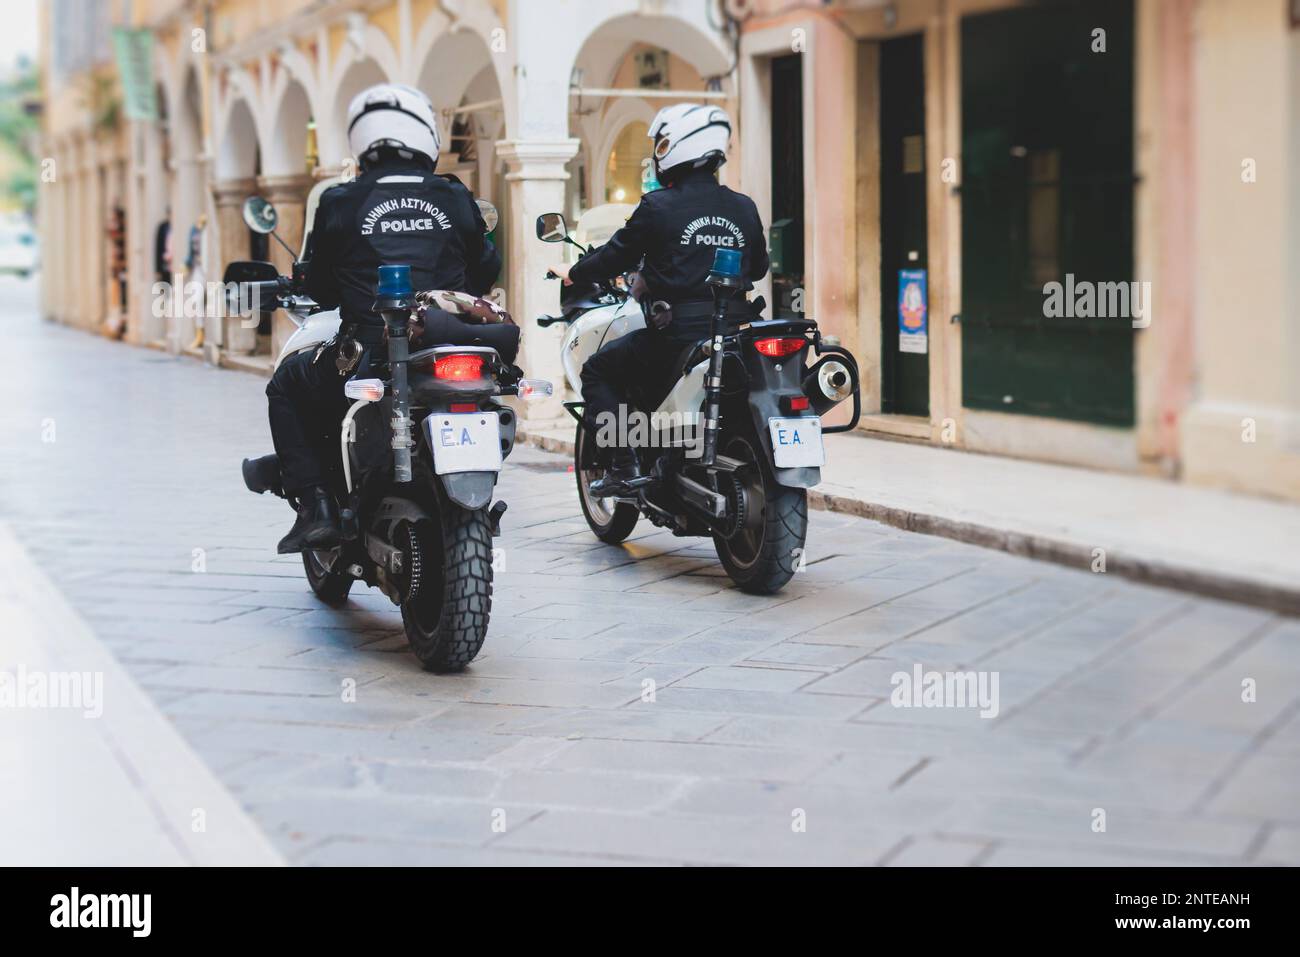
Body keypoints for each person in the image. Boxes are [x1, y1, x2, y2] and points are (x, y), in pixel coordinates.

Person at [266, 83, 506, 553]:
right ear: (426, 136)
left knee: (287, 386)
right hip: (449, 344)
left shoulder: (340, 201)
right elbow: (485, 270)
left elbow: (319, 288)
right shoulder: (455, 196)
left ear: (361, 142)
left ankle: (316, 505)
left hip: (368, 355)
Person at [548, 104, 769, 496]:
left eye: (662, 143)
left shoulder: (658, 206)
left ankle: (622, 464)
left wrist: (575, 272)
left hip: (678, 337)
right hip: (736, 331)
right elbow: (757, 269)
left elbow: (616, 255)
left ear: (675, 147)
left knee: (599, 371)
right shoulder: (744, 207)